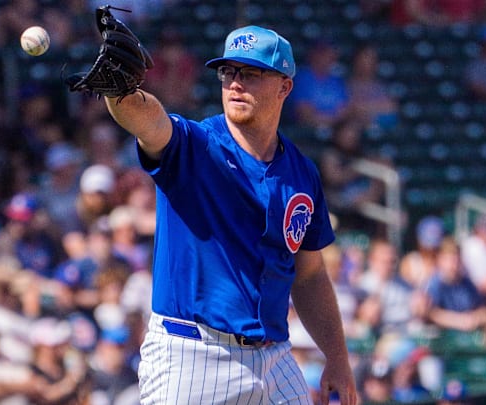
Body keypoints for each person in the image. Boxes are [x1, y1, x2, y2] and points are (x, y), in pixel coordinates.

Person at [91, 24, 357, 404]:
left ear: (285, 87)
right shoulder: (195, 145)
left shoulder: (301, 172)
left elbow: (310, 274)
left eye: (250, 73)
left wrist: (337, 358)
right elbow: (151, 124)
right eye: (228, 72)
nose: (235, 83)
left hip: (274, 355)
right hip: (193, 353)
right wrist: (122, 94)